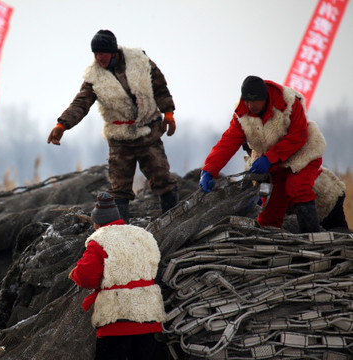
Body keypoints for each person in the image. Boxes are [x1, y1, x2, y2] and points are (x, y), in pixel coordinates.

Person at [47, 29, 179, 223]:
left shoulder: (140, 61)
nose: (99, 58)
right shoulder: (94, 77)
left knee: (163, 178)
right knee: (119, 189)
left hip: (148, 132)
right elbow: (80, 103)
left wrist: (168, 112)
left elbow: (160, 87)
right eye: (95, 54)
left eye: (103, 53)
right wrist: (62, 125)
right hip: (120, 139)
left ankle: (174, 222)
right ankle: (121, 231)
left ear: (114, 52)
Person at [199, 75, 326, 233]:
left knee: (296, 187)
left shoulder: (289, 103)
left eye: (255, 101)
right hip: (275, 162)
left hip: (303, 153)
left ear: (265, 98)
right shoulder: (242, 114)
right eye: (247, 101)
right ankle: (272, 246)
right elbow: (228, 142)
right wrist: (209, 170)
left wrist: (269, 158)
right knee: (269, 213)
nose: (250, 105)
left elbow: (298, 136)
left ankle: (312, 237)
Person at [69, 192, 166, 359]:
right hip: (148, 318)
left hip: (117, 321)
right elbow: (153, 265)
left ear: (97, 223)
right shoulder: (142, 236)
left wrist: (74, 274)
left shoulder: (99, 240)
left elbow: (87, 277)